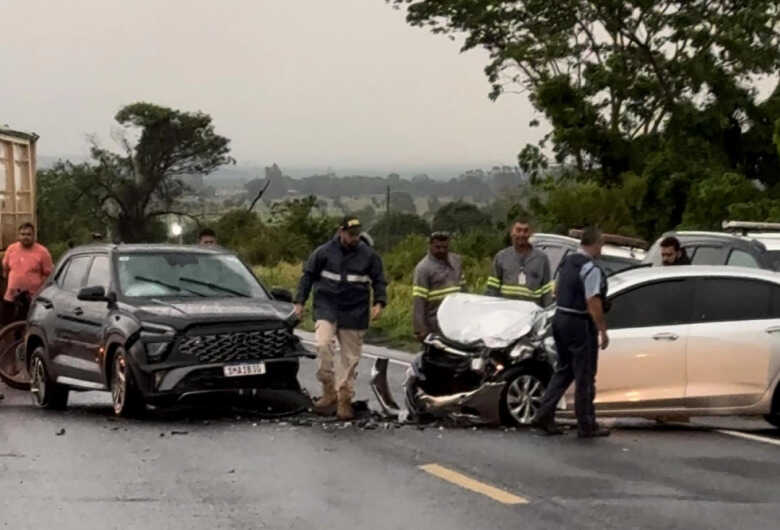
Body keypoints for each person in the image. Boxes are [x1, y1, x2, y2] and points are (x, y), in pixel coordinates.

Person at [294, 216, 387, 420]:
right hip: (327, 306)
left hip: (355, 311)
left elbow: (379, 280)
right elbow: (307, 276)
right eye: (350, 234)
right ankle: (329, 390)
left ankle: (344, 399)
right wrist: (299, 303)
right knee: (323, 345)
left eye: (356, 235)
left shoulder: (369, 256)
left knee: (349, 358)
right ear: (341, 231)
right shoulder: (324, 252)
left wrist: (379, 303)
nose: (354, 238)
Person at [533, 226, 611, 438]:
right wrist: (602, 329)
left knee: (564, 370)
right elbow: (593, 301)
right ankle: (586, 424)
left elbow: (556, 291)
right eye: (601, 244)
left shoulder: (568, 262)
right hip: (579, 322)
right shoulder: (590, 269)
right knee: (584, 375)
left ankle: (543, 416)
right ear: (595, 244)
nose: (602, 249)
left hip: (560, 319)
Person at [486, 219, 553, 306]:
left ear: (530, 233)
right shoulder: (501, 257)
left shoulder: (542, 259)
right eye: (518, 230)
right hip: (506, 312)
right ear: (511, 232)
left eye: (525, 231)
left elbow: (546, 292)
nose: (522, 234)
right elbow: (492, 288)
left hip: (531, 315)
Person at [412, 232, 465, 341]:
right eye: (438, 247)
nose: (442, 250)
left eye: (445, 247)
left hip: (457, 319)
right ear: (430, 246)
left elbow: (464, 290)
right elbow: (419, 301)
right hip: (435, 322)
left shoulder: (456, 261)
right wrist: (420, 329)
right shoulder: (423, 268)